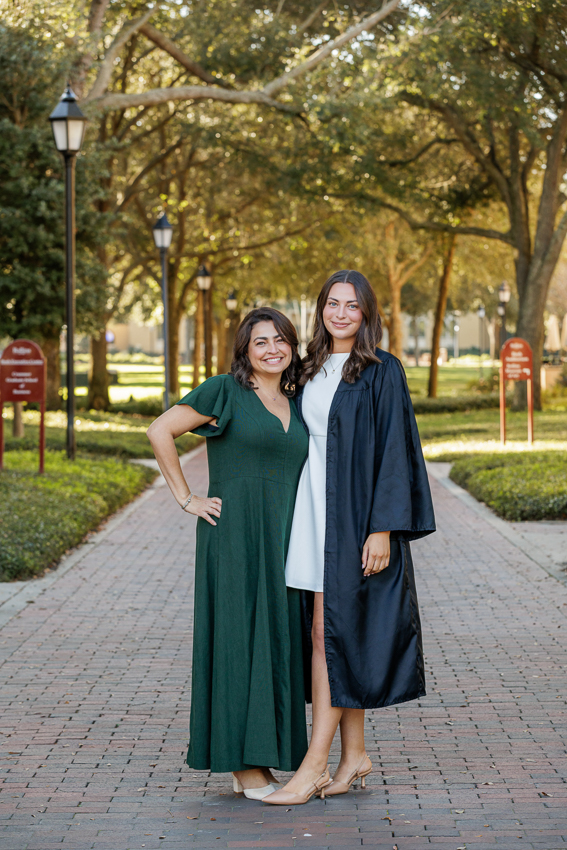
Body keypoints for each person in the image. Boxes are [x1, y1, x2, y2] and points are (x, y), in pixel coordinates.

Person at [265, 270, 436, 806]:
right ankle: (353, 754)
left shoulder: (383, 371)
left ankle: (314, 766)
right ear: (320, 309)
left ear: (367, 314)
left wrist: (382, 528)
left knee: (329, 632)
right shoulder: (308, 367)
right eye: (332, 304)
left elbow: (394, 450)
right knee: (337, 632)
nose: (340, 314)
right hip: (313, 510)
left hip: (355, 516)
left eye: (351, 306)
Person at [147, 307, 309, 800]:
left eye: (281, 340)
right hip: (235, 536)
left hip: (285, 538)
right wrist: (186, 498)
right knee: (238, 641)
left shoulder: (295, 399)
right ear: (245, 350)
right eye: (261, 342)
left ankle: (266, 753)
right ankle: (241, 765)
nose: (272, 349)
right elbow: (160, 431)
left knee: (277, 640)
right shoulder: (224, 391)